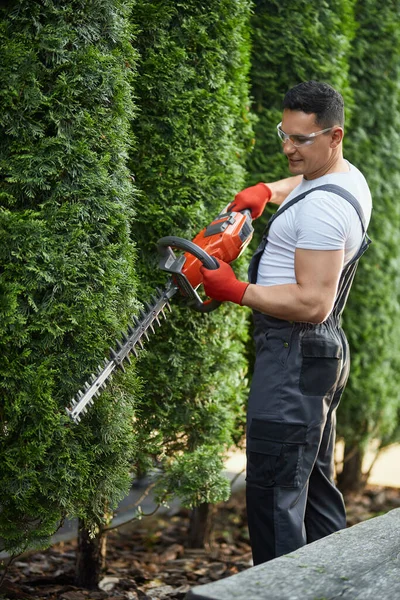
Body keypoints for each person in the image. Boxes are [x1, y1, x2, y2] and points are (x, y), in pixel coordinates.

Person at [200, 80, 372, 565]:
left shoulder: (322, 209)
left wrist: (233, 290)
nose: (287, 146)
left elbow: (312, 301)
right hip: (319, 350)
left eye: (301, 139)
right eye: (285, 133)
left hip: (293, 351)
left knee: (275, 492)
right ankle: (334, 586)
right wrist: (266, 192)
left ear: (333, 136)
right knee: (313, 484)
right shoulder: (343, 176)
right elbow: (306, 181)